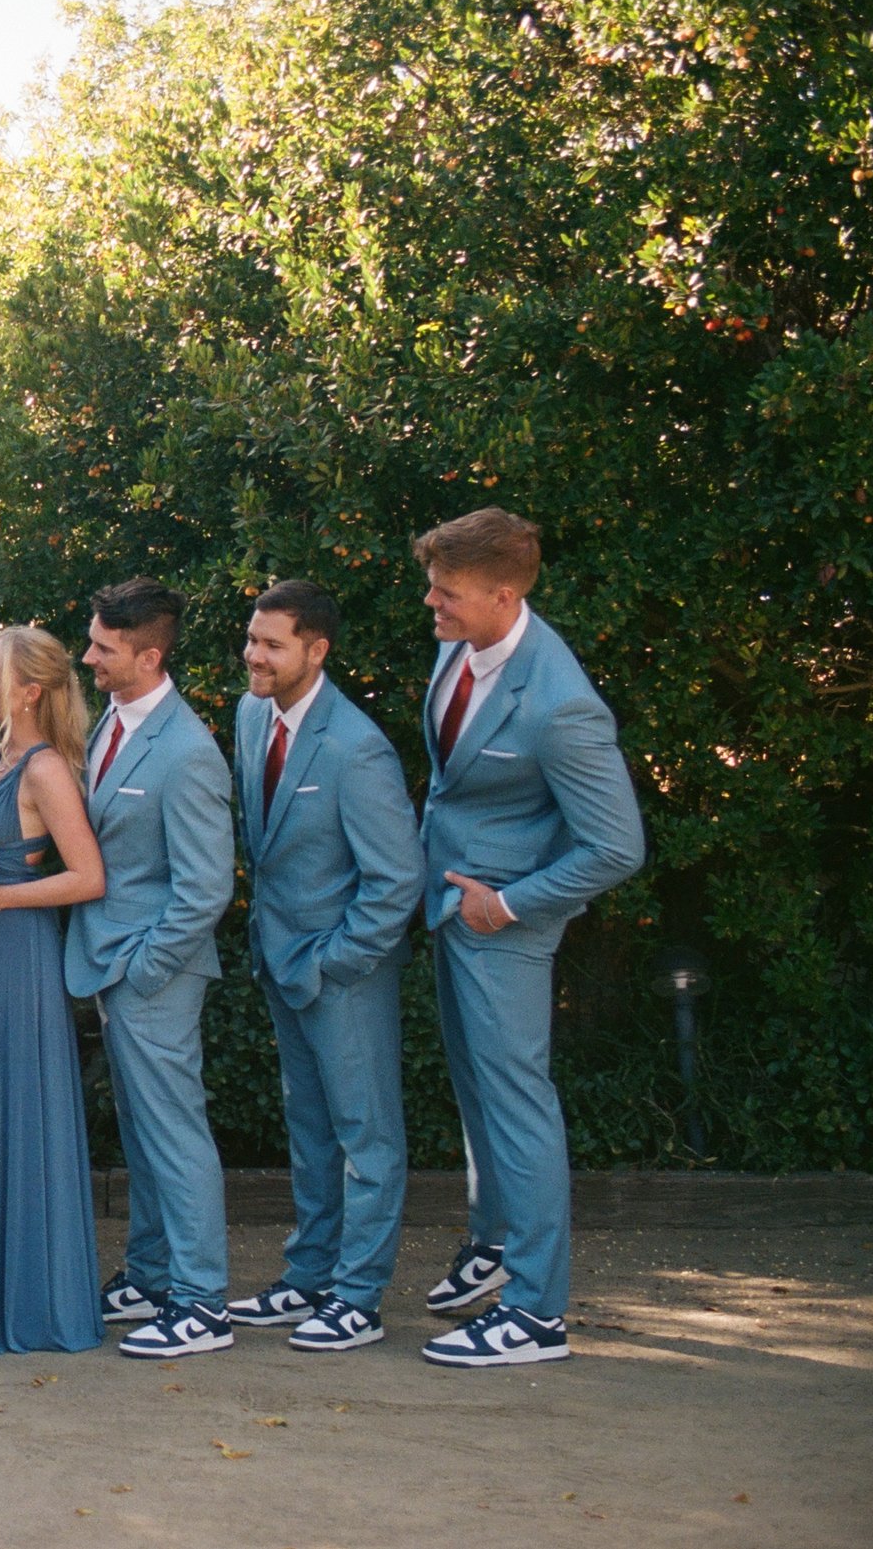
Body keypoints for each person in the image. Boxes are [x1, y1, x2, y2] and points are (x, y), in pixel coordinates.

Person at [409, 509, 643, 1368]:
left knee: (519, 1109)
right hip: (451, 910)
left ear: (505, 595)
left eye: (449, 593)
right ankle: (496, 1241)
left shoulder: (561, 706)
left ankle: (537, 1311)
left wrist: (508, 904)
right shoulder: (457, 644)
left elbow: (618, 846)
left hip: (503, 926)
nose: (431, 604)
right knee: (478, 1097)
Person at [229, 581, 423, 1352]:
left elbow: (396, 879)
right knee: (311, 1134)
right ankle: (308, 1276)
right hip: (279, 964)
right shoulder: (250, 715)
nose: (255, 655)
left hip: (344, 974)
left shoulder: (357, 745)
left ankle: (359, 1296)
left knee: (366, 1134)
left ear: (317, 649)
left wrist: (337, 960)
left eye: (273, 644)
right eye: (252, 638)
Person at [67, 578, 238, 1361]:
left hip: (154, 974)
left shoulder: (187, 750)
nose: (89, 655)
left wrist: (142, 968)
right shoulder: (112, 721)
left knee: (174, 1133)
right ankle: (152, 1271)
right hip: (110, 965)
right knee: (142, 1133)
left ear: (149, 654)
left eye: (104, 646)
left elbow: (206, 886)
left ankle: (202, 1301)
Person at [0, 626, 107, 1355]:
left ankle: (33, 1302)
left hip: (20, 957)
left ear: (29, 689)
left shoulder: (43, 769)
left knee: (18, 1111)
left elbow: (88, 876)